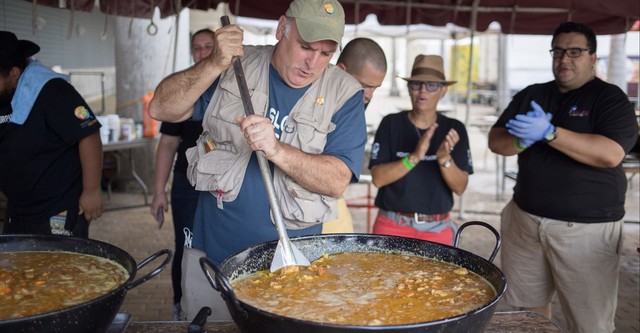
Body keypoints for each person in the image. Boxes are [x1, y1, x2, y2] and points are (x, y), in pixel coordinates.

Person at [149, 0, 366, 267]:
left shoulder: (345, 93)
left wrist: (277, 150)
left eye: (326, 53)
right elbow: (161, 108)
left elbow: (337, 181)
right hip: (215, 252)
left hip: (292, 264)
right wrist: (213, 63)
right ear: (281, 28)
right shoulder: (234, 67)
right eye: (305, 47)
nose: (312, 63)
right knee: (207, 310)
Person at [488, 22, 638, 333]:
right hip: (526, 220)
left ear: (592, 57)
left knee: (589, 321)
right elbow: (496, 141)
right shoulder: (533, 94)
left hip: (586, 231)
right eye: (558, 51)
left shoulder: (610, 99)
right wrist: (521, 140)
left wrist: (550, 133)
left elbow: (610, 154)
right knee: (530, 314)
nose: (564, 59)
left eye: (574, 52)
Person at [0, 31, 103, 238]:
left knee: (59, 269)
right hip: (18, 210)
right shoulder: (4, 94)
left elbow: (89, 134)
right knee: (15, 268)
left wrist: (91, 191)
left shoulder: (52, 91)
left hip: (57, 209)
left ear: (13, 73)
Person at [368, 54, 472, 246]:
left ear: (443, 91)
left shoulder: (454, 129)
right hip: (392, 224)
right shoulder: (391, 123)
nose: (423, 90)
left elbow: (460, 187)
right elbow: (378, 178)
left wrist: (444, 159)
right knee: (385, 276)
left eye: (431, 85)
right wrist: (414, 157)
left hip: (437, 228)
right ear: (409, 88)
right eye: (416, 84)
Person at [148, 28, 215, 321]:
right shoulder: (182, 89)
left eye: (208, 47)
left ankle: (222, 305)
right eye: (197, 48)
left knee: (220, 244)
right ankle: (181, 305)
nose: (201, 53)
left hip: (223, 186)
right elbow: (167, 144)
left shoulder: (235, 86)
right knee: (187, 246)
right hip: (187, 185)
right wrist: (159, 191)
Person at [323, 37, 387, 234]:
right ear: (341, 71)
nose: (370, 95)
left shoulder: (355, 105)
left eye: (375, 88)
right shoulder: (312, 95)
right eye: (364, 85)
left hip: (334, 210)